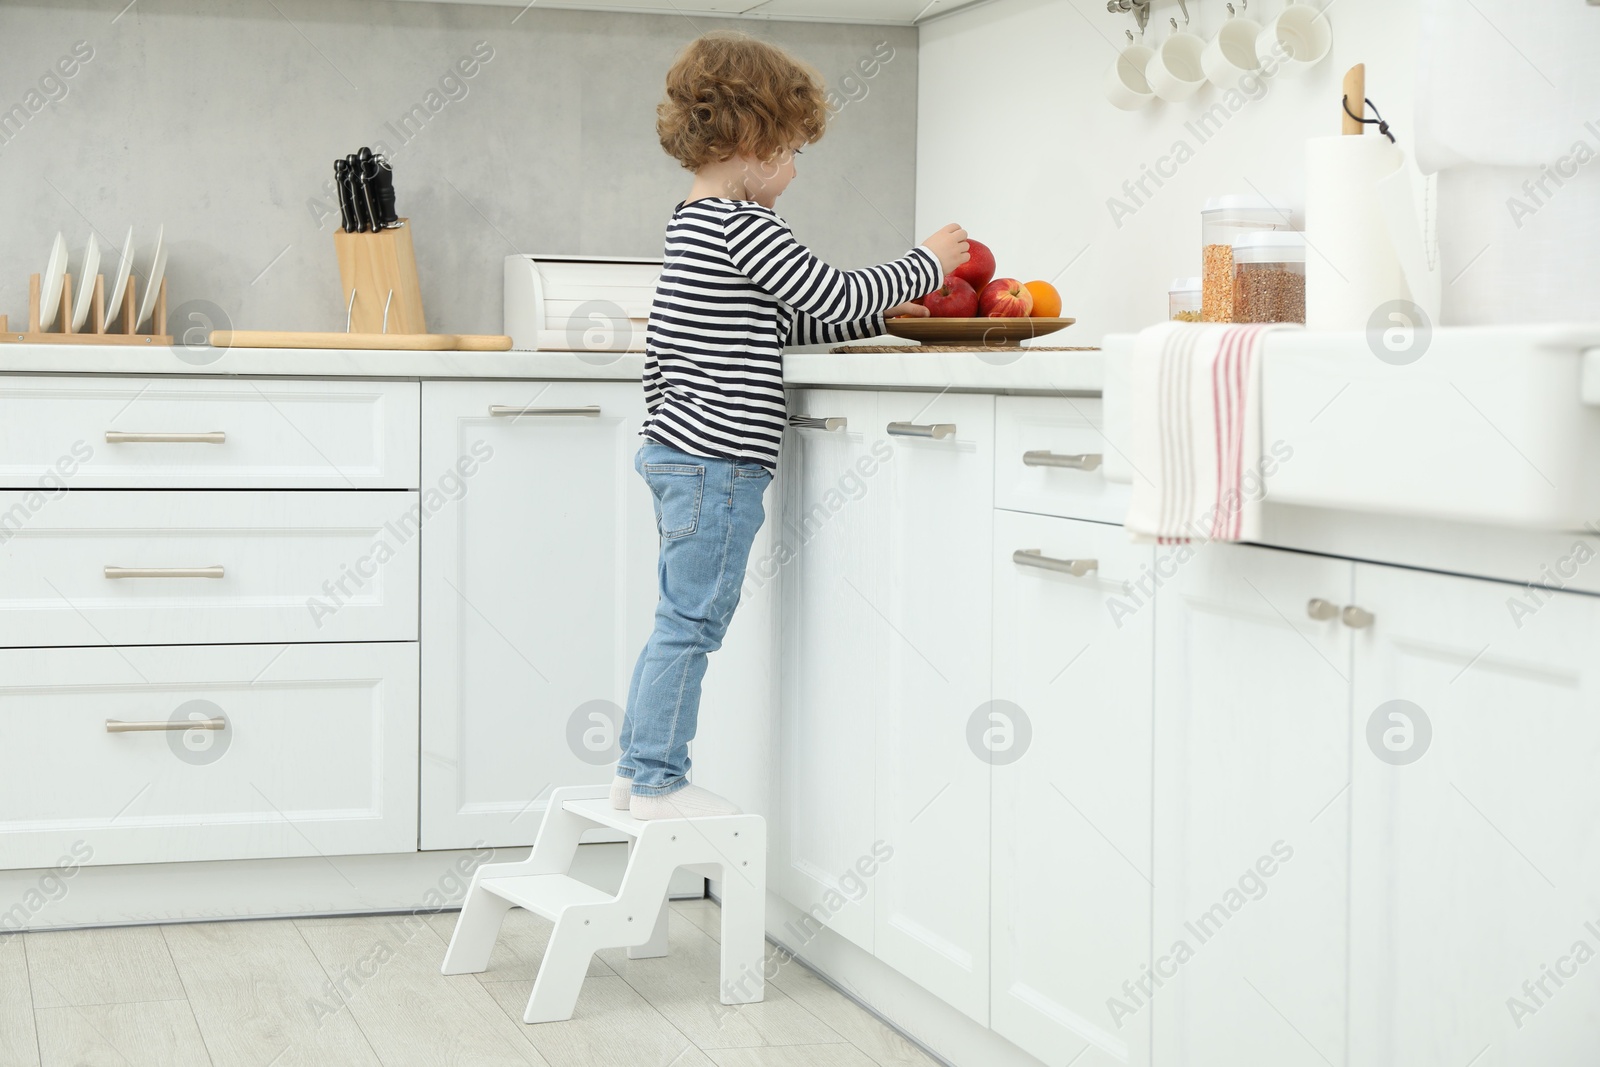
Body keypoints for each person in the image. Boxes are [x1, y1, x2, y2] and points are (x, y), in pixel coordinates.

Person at [613, 29, 970, 820]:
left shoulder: (691, 224)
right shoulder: (746, 226)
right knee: (692, 624)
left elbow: (772, 326)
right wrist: (929, 261)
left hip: (680, 454)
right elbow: (831, 294)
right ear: (751, 139)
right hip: (717, 463)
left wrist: (881, 313)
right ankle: (655, 781)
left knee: (678, 619)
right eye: (790, 149)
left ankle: (636, 772)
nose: (796, 170)